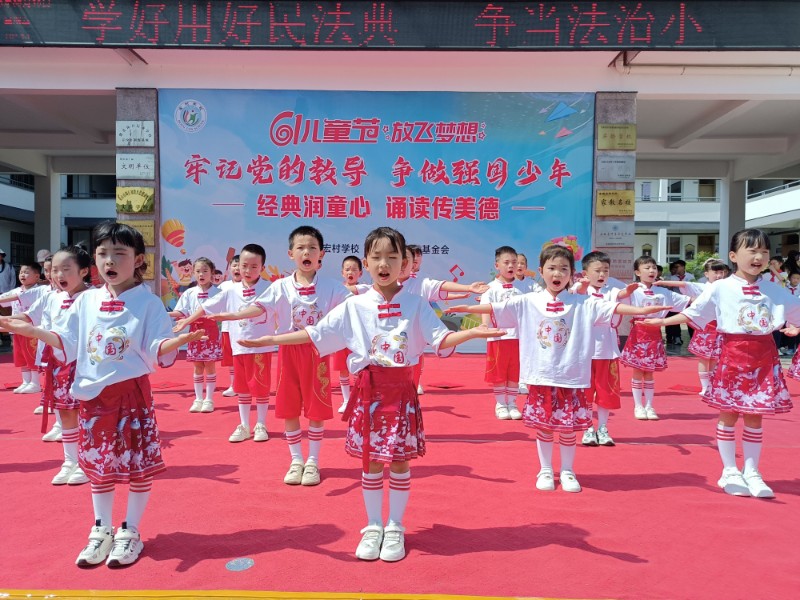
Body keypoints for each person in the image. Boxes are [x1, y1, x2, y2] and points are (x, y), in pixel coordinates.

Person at [238, 226, 506, 562]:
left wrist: (473, 334)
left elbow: (440, 339)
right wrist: (271, 340)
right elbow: (315, 333)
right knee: (371, 462)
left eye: (392, 257)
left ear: (404, 263)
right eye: (376, 257)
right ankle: (373, 525)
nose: (384, 264)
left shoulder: (416, 304)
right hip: (369, 393)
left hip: (401, 392)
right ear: (365, 262)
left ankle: (395, 526)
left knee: (399, 461)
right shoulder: (355, 306)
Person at [1, 222, 202, 566]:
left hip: (131, 395)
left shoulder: (148, 303)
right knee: (97, 465)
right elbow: (68, 341)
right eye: (103, 253)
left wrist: (176, 342)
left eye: (119, 253)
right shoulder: (87, 300)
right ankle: (101, 529)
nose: (109, 260)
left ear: (138, 260)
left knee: (137, 466)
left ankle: (131, 531)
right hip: (93, 397)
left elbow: (157, 348)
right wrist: (33, 331)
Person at [446, 245, 666, 493]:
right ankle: (545, 469)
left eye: (563, 268)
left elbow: (612, 308)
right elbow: (498, 309)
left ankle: (568, 470)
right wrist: (467, 309)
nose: (557, 273)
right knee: (544, 426)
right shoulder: (530, 300)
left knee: (568, 427)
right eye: (551, 268)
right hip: (542, 376)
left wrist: (641, 310)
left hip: (571, 376)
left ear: (572, 273)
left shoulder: (583, 302)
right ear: (541, 271)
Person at [641, 229, 800, 499]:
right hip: (733, 354)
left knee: (755, 415)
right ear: (733, 256)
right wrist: (662, 322)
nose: (758, 257)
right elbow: (694, 313)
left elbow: (796, 312)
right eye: (752, 251)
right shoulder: (720, 287)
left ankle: (752, 471)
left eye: (764, 251)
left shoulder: (775, 290)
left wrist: (795, 327)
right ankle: (729, 470)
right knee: (729, 413)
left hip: (764, 357)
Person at [215, 226, 351, 486]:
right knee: (289, 406)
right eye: (301, 248)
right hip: (288, 352)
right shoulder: (281, 286)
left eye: (312, 248)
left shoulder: (332, 288)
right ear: (291, 254)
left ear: (321, 254)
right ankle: (296, 460)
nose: (306, 252)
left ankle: (313, 462)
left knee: (316, 408)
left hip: (317, 352)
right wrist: (232, 315)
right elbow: (259, 307)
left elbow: (353, 308)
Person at [0, 245, 93, 484]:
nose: (58, 275)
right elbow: (34, 320)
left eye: (66, 269)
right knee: (65, 412)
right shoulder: (53, 297)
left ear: (84, 271)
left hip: (88, 365)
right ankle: (70, 461)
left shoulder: (95, 298)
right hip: (59, 363)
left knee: (87, 413)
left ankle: (87, 461)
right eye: (54, 270)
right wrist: (6, 321)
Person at [174, 245, 273, 443]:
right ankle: (244, 425)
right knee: (242, 389)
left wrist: (231, 315)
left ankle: (261, 424)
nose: (248, 270)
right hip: (239, 347)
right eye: (244, 266)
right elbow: (206, 307)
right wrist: (186, 321)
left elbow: (261, 309)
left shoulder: (269, 288)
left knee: (260, 388)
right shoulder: (230, 290)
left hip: (261, 346)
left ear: (262, 267)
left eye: (254, 266)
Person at [576, 251, 638, 447]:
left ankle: (603, 428)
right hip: (584, 351)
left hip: (607, 350)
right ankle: (587, 427)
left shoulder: (611, 290)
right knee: (584, 392)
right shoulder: (579, 288)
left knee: (606, 391)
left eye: (606, 270)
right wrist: (583, 285)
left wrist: (629, 291)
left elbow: (621, 295)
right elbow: (577, 292)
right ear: (585, 273)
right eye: (597, 270)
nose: (602, 274)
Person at [620, 256, 691, 420]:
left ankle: (649, 406)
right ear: (637, 272)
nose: (652, 271)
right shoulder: (632, 290)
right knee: (638, 371)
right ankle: (638, 406)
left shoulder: (663, 291)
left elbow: (687, 301)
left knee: (649, 372)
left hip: (654, 334)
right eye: (647, 268)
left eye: (654, 268)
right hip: (638, 333)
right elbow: (617, 300)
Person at [656, 258, 728, 395]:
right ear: (706, 274)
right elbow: (684, 284)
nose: (719, 275)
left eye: (721, 272)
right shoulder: (703, 287)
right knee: (704, 357)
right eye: (715, 272)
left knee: (715, 358)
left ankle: (713, 385)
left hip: (720, 327)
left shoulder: (726, 288)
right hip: (706, 327)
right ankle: (705, 386)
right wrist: (661, 282)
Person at [480, 246, 529, 420]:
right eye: (506, 262)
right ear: (497, 265)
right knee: (499, 372)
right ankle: (501, 404)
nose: (511, 266)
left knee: (515, 371)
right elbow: (485, 309)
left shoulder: (525, 287)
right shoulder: (490, 288)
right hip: (498, 337)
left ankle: (513, 403)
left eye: (514, 262)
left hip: (519, 338)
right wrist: (485, 327)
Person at [169, 257, 222, 413]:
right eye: (198, 271)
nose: (201, 274)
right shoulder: (189, 293)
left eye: (205, 271)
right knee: (198, 365)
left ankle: (209, 400)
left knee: (209, 364)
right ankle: (198, 399)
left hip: (210, 331)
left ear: (212, 273)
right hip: (194, 331)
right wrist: (165, 314)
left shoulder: (218, 293)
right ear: (193, 273)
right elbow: (181, 311)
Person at [0, 262, 48, 394]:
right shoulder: (16, 291)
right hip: (16, 330)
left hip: (31, 330)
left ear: (37, 276)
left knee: (31, 355)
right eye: (21, 272)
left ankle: (35, 382)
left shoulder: (41, 290)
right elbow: (2, 299)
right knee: (21, 356)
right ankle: (26, 381)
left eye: (26, 272)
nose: (22, 275)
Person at [336, 255, 367, 413]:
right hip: (342, 336)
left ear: (360, 273)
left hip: (359, 336)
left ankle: (358, 399)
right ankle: (346, 400)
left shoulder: (365, 290)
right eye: (347, 269)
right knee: (343, 369)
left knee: (359, 368)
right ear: (342, 272)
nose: (350, 272)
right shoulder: (336, 291)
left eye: (354, 270)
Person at [218, 255, 241, 397]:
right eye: (234, 265)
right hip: (227, 328)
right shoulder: (223, 286)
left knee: (245, 358)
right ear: (230, 268)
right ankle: (234, 385)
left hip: (245, 329)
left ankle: (247, 384)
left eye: (240, 265)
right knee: (231, 359)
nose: (237, 268)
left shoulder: (250, 286)